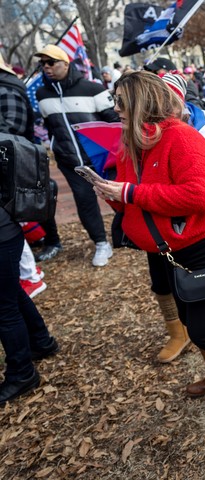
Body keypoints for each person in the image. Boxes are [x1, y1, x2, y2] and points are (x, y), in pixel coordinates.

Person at [93, 71, 205, 403]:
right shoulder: (133, 143)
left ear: (142, 102)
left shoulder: (182, 138)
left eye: (121, 101)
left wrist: (129, 192)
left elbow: (199, 195)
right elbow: (134, 201)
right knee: (186, 318)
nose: (116, 108)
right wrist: (110, 191)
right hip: (171, 250)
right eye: (115, 100)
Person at [0, 60, 59, 406]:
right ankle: (40, 341)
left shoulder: (7, 90)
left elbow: (12, 137)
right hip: (7, 224)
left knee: (3, 305)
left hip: (4, 223)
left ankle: (21, 372)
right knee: (9, 293)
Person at [34, 44, 119, 267]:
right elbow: (49, 126)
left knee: (119, 197)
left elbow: (114, 120)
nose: (46, 67)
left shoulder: (92, 88)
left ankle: (131, 233)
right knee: (84, 201)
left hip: (102, 158)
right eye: (43, 64)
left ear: (66, 63)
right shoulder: (42, 94)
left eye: (51, 62)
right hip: (70, 160)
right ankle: (101, 243)